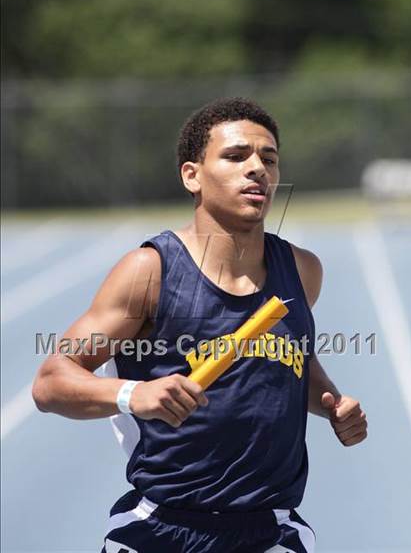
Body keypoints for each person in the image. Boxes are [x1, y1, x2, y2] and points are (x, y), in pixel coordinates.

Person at [32, 98, 367, 553]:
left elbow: (291, 360)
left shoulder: (302, 271)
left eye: (268, 159)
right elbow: (51, 381)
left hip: (271, 530)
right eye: (236, 156)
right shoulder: (149, 272)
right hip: (161, 529)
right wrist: (136, 394)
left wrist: (331, 403)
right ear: (192, 175)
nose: (257, 169)